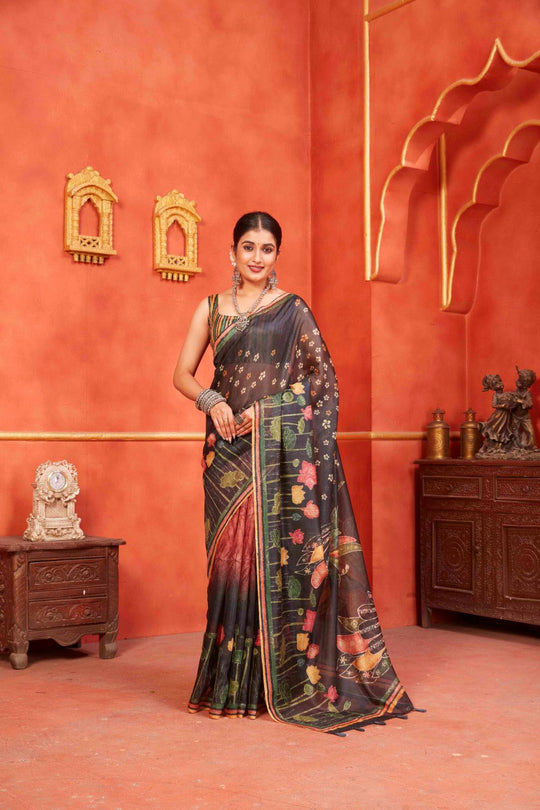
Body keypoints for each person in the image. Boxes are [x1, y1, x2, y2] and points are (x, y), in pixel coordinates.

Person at [173, 212, 414, 733]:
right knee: (227, 569)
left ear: (276, 256)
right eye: (248, 247)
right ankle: (226, 684)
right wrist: (210, 399)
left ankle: (269, 686)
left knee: (270, 562)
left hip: (275, 451)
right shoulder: (211, 309)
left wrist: (266, 411)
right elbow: (181, 374)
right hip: (226, 454)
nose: (257, 257)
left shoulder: (293, 312)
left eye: (267, 249)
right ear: (232, 253)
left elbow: (321, 382)